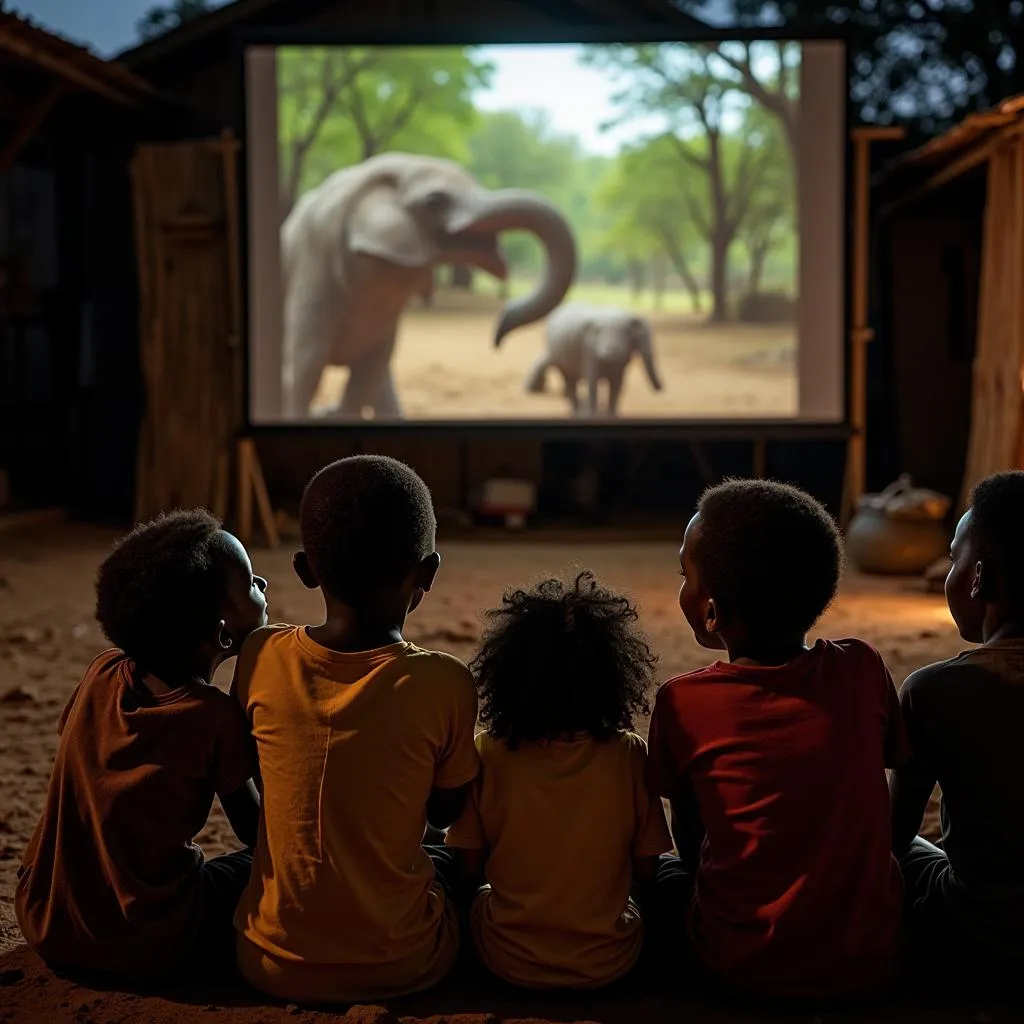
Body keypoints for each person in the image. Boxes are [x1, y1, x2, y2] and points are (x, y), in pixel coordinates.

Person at [647, 479, 907, 1006]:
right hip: (869, 965)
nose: (680, 585)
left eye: (684, 574)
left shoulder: (683, 702)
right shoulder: (861, 668)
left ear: (712, 612)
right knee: (918, 856)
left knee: (657, 879)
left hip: (735, 969)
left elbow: (692, 835)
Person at [232, 455, 479, 1004]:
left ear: (304, 569)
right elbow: (443, 814)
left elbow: (256, 771)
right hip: (405, 965)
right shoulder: (446, 681)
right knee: (455, 868)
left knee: (235, 869)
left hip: (267, 960)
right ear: (428, 573)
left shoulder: (259, 654)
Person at [15, 510, 268, 980]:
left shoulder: (101, 674)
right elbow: (258, 833)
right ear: (222, 634)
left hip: (47, 919)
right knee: (260, 869)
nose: (264, 585)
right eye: (253, 583)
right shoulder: (213, 716)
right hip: (152, 941)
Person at [445, 572, 671, 990]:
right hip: (611, 962)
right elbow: (646, 868)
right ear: (614, 676)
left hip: (503, 958)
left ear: (509, 676)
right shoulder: (628, 754)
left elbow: (470, 866)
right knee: (676, 878)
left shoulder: (489, 752)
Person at [890, 470, 1024, 981]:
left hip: (976, 938)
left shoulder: (934, 691)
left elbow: (893, 837)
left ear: (979, 578)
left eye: (953, 558)